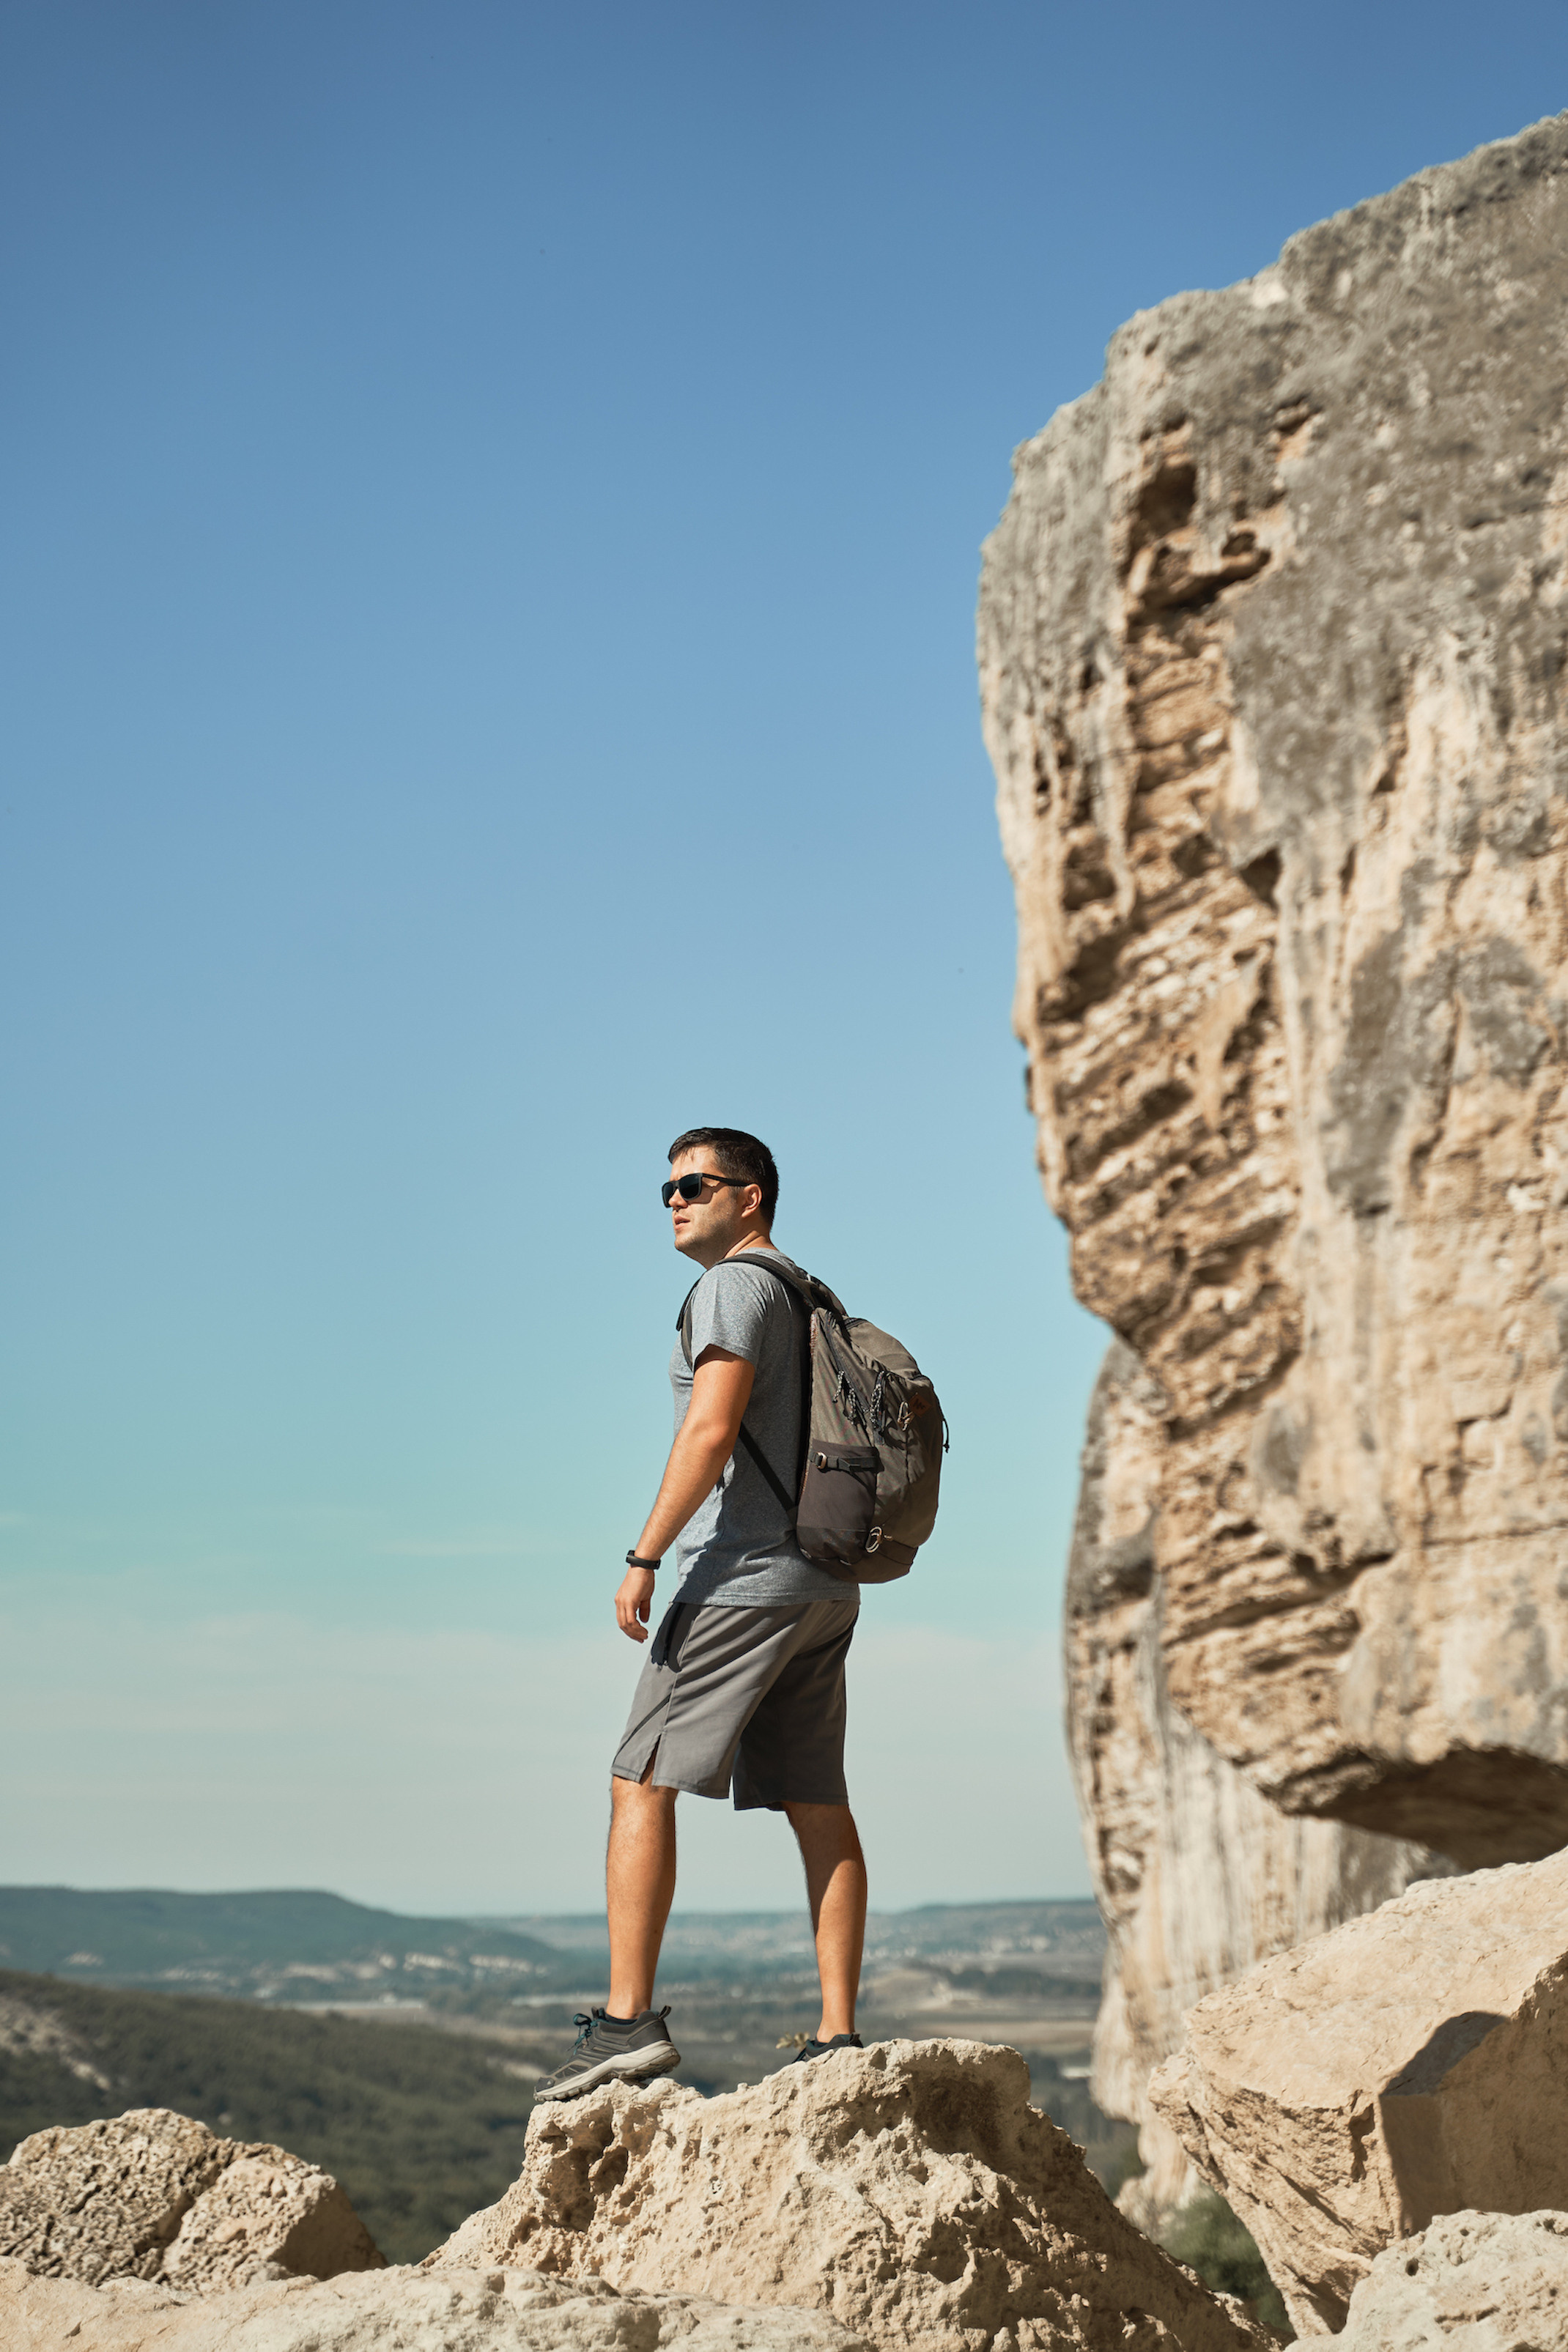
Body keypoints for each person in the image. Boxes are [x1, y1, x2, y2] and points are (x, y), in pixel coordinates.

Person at [534, 1126, 868, 2101]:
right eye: (667, 1186)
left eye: (696, 1183)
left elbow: (711, 1426)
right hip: (824, 1585)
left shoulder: (735, 1284)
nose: (676, 1200)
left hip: (741, 1578)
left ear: (751, 1196)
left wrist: (644, 1555)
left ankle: (627, 2022)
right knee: (817, 1798)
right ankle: (838, 2032)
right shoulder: (811, 1293)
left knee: (638, 1777)